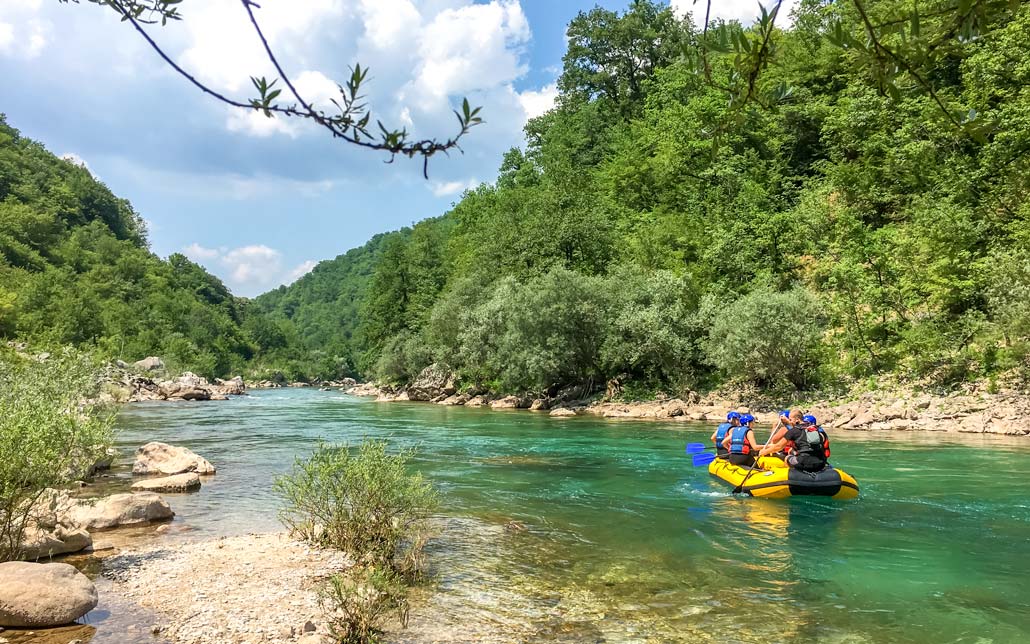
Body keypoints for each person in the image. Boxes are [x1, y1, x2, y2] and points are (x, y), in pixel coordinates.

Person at [759, 410, 830, 472]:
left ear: (797, 420)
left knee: (787, 458)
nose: (790, 421)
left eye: (790, 419)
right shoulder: (817, 429)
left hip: (803, 462)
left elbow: (778, 446)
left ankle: (792, 475)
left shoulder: (793, 431)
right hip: (820, 463)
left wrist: (764, 451)